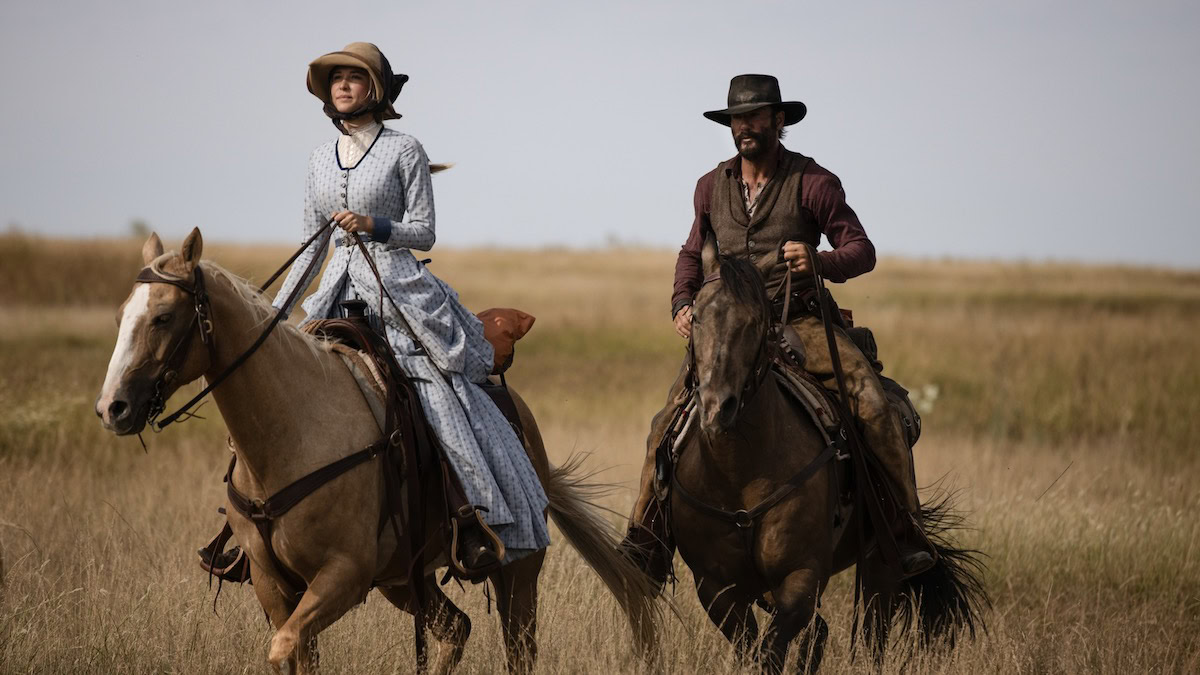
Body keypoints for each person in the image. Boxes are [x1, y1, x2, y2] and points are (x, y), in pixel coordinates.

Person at [200, 42, 550, 579]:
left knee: (435, 390)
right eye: (335, 78)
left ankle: (475, 516)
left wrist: (373, 225)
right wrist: (271, 316)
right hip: (334, 290)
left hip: (399, 291)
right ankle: (248, 530)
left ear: (376, 89)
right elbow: (312, 245)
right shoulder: (319, 158)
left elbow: (425, 230)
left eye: (354, 77)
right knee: (276, 389)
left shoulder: (405, 149)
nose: (342, 85)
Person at [620, 74, 934, 587]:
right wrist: (682, 302)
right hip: (729, 327)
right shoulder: (710, 185)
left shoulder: (814, 182)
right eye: (737, 119)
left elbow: (862, 250)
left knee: (874, 407)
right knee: (667, 421)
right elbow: (689, 252)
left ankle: (905, 528)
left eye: (756, 117)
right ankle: (648, 537)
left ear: (779, 121)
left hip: (799, 320)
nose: (745, 127)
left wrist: (818, 260)